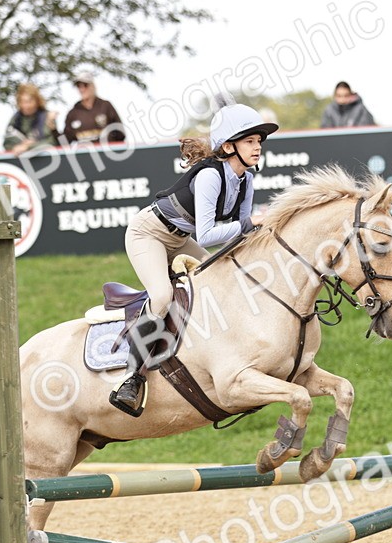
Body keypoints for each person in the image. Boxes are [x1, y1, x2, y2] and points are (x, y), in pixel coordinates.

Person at [108, 92, 277, 417]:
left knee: (225, 281)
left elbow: (241, 236)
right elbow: (209, 234)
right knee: (161, 296)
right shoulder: (211, 175)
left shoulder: (247, 180)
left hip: (179, 237)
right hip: (148, 234)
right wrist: (252, 222)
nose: (258, 147)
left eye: (259, 141)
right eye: (251, 141)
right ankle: (132, 379)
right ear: (229, 146)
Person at [63, 72, 125, 145]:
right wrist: (53, 129)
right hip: (85, 155)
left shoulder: (105, 106)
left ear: (93, 86)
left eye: (85, 85)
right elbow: (65, 141)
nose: (82, 89)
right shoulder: (73, 113)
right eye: (78, 86)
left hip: (107, 153)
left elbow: (120, 133)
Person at [4, 83, 58, 154]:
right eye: (22, 101)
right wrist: (17, 147)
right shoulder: (15, 119)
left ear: (37, 101)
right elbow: (7, 142)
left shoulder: (47, 117)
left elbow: (52, 142)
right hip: (20, 160)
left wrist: (29, 146)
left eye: (29, 102)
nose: (25, 106)